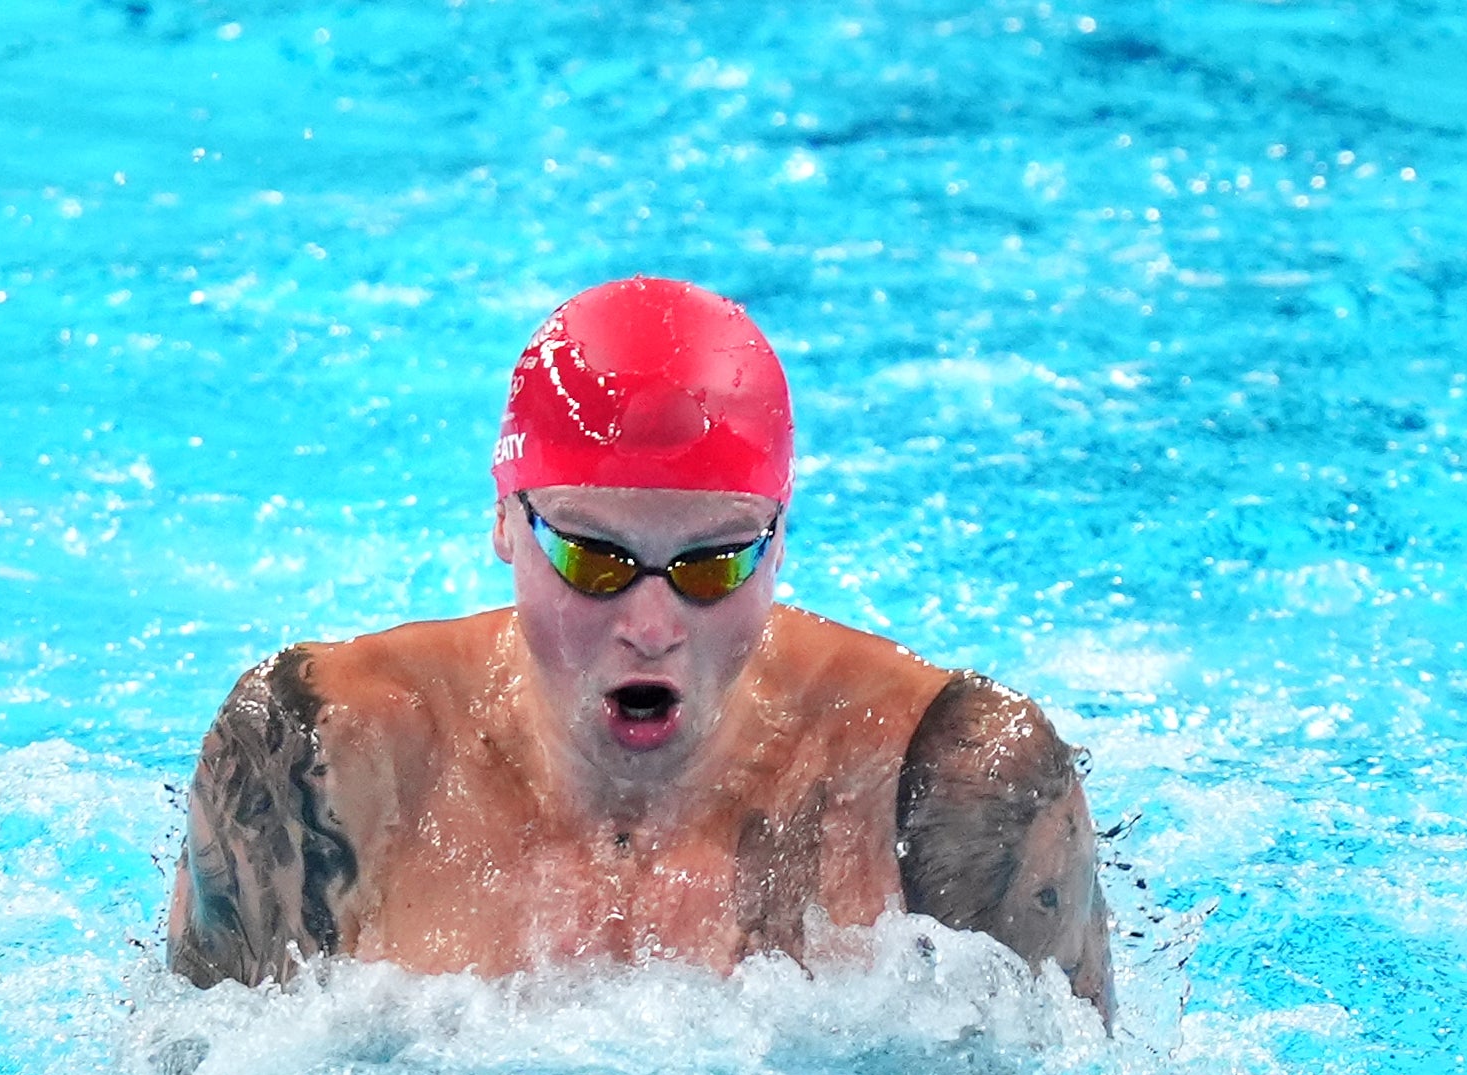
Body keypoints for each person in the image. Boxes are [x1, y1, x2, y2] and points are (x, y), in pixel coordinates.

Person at [166, 275, 1112, 1023]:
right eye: (592, 556)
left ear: (780, 540)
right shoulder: (315, 755)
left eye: (712, 564)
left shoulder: (953, 779)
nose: (654, 624)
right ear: (504, 521)